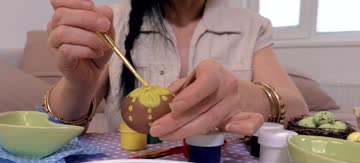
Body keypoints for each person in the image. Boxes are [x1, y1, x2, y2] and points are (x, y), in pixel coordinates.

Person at [44, 0, 308, 140]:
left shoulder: (252, 26)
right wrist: (77, 85)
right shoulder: (112, 23)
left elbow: (298, 109)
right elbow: (54, 130)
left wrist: (243, 96)